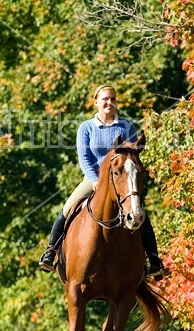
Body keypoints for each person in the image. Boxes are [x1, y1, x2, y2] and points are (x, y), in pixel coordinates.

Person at [39, 84, 164, 280]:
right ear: (96, 102)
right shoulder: (86, 128)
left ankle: (153, 259)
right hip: (94, 179)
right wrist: (95, 180)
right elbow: (84, 158)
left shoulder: (126, 127)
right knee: (67, 207)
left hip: (120, 180)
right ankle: (51, 251)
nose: (109, 102)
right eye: (105, 99)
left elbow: (132, 157)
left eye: (113, 99)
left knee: (139, 211)